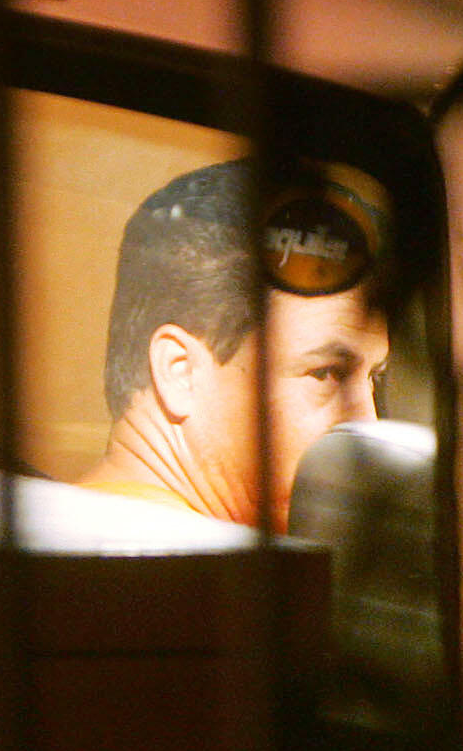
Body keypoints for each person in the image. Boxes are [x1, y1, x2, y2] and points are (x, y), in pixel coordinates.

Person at [76, 159, 391, 526]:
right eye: (325, 375)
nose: (369, 424)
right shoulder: (182, 575)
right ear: (180, 373)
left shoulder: (72, 533)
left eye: (374, 378)